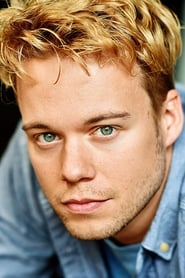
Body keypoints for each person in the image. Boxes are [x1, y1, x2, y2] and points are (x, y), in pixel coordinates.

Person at [0, 0, 185, 277]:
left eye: (105, 130)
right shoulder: (31, 145)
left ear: (169, 119)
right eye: (48, 136)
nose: (72, 170)